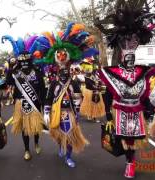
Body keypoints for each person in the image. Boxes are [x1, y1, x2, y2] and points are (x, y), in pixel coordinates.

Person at [95, 1, 155, 177]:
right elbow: (108, 93)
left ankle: (130, 162)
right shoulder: (112, 73)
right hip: (120, 109)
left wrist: (148, 109)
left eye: (133, 43)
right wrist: (107, 113)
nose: (130, 47)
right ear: (121, 53)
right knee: (124, 139)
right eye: (126, 44)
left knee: (134, 140)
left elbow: (145, 93)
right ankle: (129, 161)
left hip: (136, 109)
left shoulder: (142, 71)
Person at [41, 23, 90, 168]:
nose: (63, 74)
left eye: (65, 72)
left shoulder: (73, 83)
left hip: (69, 114)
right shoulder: (54, 84)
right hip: (57, 113)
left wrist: (76, 109)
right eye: (60, 72)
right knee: (58, 136)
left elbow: (78, 96)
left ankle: (68, 156)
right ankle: (60, 147)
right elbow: (49, 98)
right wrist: (47, 112)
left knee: (70, 137)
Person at [3, 35, 46, 161]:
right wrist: (11, 69)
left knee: (36, 126)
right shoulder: (15, 72)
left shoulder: (37, 71)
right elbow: (8, 82)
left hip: (35, 102)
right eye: (22, 61)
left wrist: (44, 103)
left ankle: (36, 143)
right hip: (21, 104)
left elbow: (42, 88)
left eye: (27, 61)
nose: (25, 63)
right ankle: (27, 149)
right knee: (24, 128)